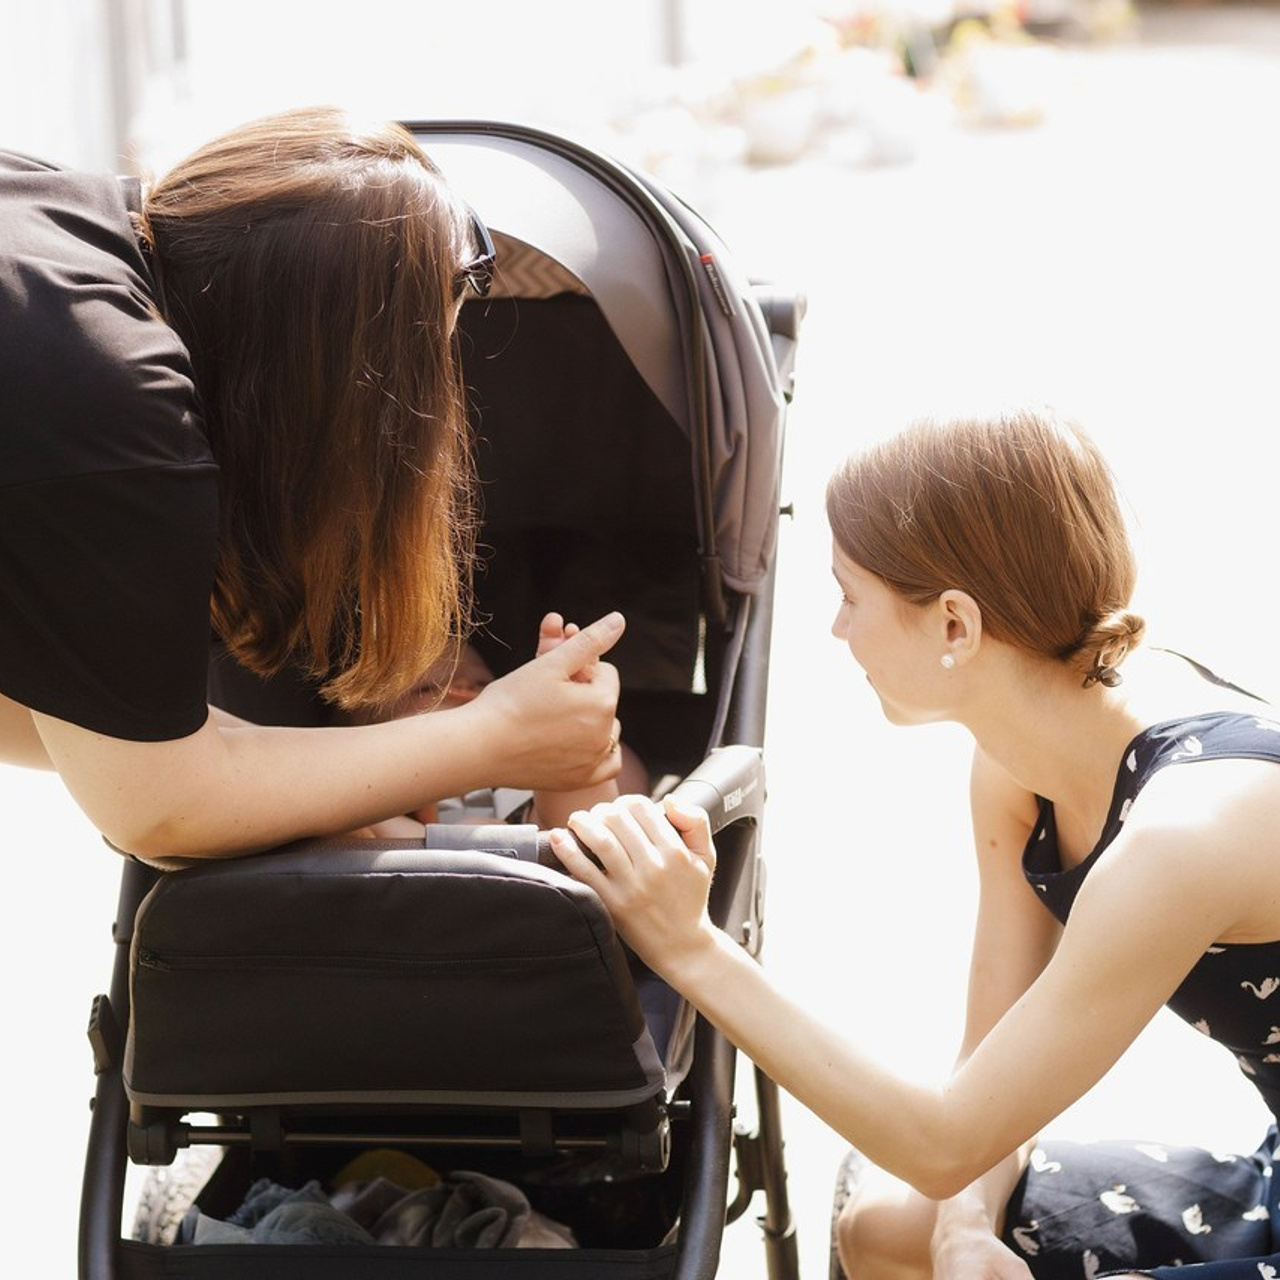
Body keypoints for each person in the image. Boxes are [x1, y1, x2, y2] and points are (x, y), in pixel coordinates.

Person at [549, 405, 1280, 1279]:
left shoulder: (1183, 833)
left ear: (956, 626)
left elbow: (943, 1140)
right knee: (887, 1232)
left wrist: (687, 945)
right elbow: (986, 1068)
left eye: (851, 597)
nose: (837, 629)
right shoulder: (1029, 756)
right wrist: (965, 1231)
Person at [0, 106, 624, 863]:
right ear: (334, 395)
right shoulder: (113, 405)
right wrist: (495, 736)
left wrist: (296, 790)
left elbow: (71, 713)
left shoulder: (64, 224)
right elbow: (160, 813)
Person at [343, 611, 649, 837]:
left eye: (481, 684)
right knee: (354, 824)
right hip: (418, 855)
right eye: (427, 689)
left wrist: (569, 727)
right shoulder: (376, 804)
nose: (461, 688)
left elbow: (600, 813)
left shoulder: (525, 775)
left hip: (542, 840)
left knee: (581, 815)